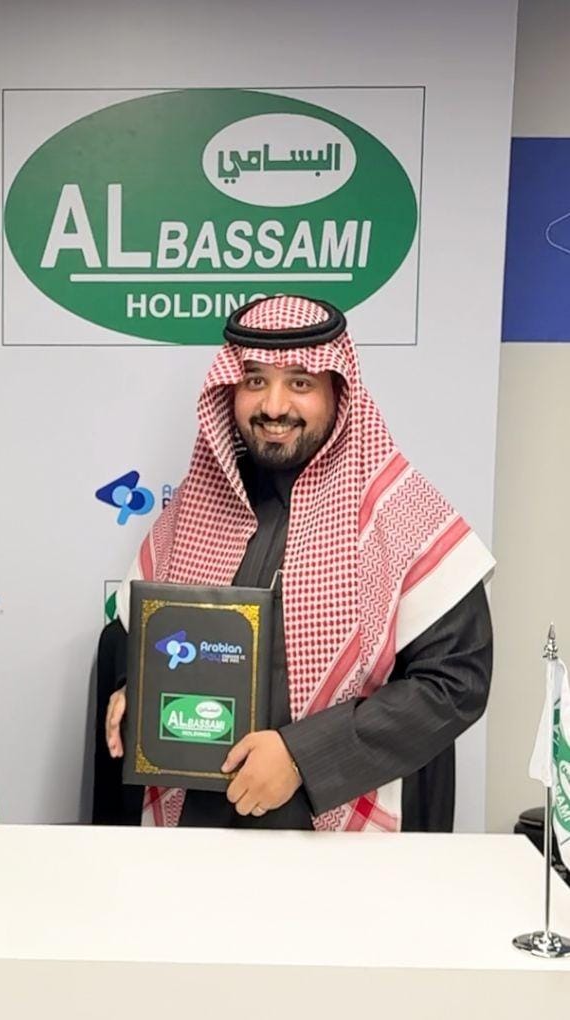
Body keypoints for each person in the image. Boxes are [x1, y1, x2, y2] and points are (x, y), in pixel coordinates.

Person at [93, 295, 493, 832]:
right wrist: (133, 686)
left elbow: (455, 683)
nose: (274, 406)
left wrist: (302, 757)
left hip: (339, 832)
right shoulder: (198, 504)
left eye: (300, 383)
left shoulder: (400, 513)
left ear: (338, 392)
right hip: (199, 826)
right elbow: (137, 630)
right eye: (255, 381)